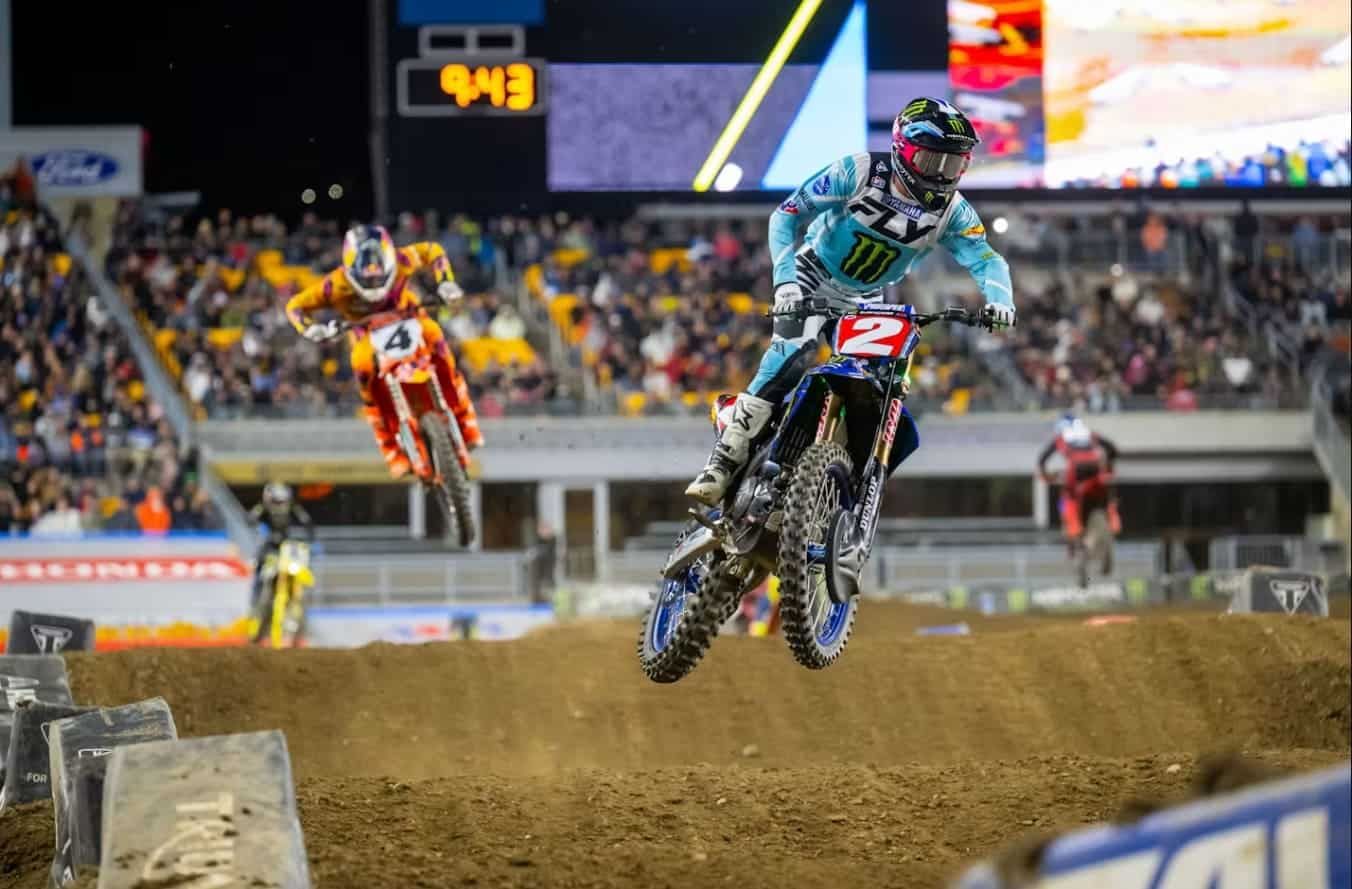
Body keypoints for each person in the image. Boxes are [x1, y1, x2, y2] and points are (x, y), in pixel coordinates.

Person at [687, 97, 1016, 503]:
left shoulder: (954, 212)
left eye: (954, 165)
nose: (941, 175)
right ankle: (724, 458)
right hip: (811, 277)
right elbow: (786, 214)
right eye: (933, 161)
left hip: (866, 299)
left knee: (878, 386)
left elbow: (986, 259)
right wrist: (786, 283)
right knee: (793, 354)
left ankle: (840, 482)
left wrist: (1001, 301)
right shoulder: (859, 172)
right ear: (903, 151)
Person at [284, 224, 482, 479]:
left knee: (436, 338)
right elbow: (294, 306)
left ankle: (467, 422)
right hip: (366, 334)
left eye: (379, 276)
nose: (375, 283)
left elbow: (433, 250)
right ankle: (392, 451)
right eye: (368, 278)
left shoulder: (402, 260)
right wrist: (311, 329)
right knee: (363, 372)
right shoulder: (335, 284)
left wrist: (445, 282)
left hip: (410, 317)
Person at [1036, 414, 1121, 544]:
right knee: (1106, 493)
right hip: (1095, 468)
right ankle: (1114, 519)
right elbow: (1112, 449)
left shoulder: (1062, 437)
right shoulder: (1089, 434)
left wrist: (1044, 473)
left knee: (1068, 498)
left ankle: (1074, 530)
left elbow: (1043, 458)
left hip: (1076, 469)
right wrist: (1108, 465)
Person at [247, 482, 315, 612]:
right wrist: (257, 523)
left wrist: (309, 539)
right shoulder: (263, 507)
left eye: (282, 501)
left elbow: (306, 521)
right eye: (276, 501)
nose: (279, 506)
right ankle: (256, 600)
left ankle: (298, 603)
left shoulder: (294, 507)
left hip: (287, 545)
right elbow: (251, 518)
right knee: (260, 569)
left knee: (302, 567)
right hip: (269, 545)